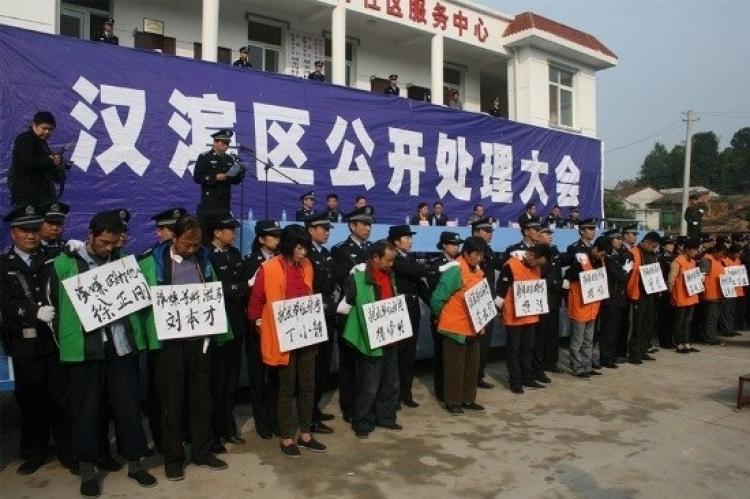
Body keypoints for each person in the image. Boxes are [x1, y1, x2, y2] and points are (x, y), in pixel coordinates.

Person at [51, 210, 156, 496]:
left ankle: (135, 463)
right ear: (91, 236)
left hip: (121, 347)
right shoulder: (65, 263)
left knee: (129, 407)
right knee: (86, 411)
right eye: (104, 242)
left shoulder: (124, 263)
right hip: (85, 350)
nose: (109, 248)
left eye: (115, 242)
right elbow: (56, 307)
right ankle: (87, 469)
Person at [138, 215, 231, 480]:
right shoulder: (153, 262)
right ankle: (173, 458)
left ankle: (201, 451)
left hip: (200, 341)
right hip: (169, 345)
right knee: (172, 402)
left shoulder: (203, 259)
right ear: (173, 238)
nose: (191, 249)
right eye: (187, 243)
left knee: (202, 399)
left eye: (197, 243)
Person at [0, 205, 74, 475]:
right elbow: (5, 302)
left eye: (34, 230)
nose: (31, 236)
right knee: (31, 401)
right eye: (24, 230)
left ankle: (68, 450)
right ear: (13, 233)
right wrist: (33, 313)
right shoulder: (3, 264)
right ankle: (34, 452)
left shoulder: (54, 257)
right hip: (24, 343)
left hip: (54, 342)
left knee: (61, 398)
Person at [248, 225, 328, 457]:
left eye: (306, 248)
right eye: (299, 247)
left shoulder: (307, 266)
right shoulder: (268, 268)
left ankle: (305, 434)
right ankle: (285, 438)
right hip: (283, 337)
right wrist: (262, 327)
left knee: (307, 385)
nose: (303, 252)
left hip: (305, 335)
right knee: (286, 388)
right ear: (288, 246)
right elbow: (255, 303)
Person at [338, 240, 401, 439]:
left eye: (392, 261)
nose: (391, 265)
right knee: (369, 385)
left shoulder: (390, 274)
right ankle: (362, 421)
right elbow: (344, 308)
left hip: (390, 336)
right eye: (388, 261)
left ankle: (385, 417)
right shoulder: (357, 276)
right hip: (368, 339)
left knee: (390, 382)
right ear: (375, 258)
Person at [203, 210, 248, 454]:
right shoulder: (206, 255)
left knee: (230, 382)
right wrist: (242, 286)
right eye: (229, 229)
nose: (234, 233)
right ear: (217, 232)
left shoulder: (233, 253)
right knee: (216, 383)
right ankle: (213, 433)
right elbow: (216, 288)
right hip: (218, 326)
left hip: (236, 324)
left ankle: (227, 427)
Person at [430, 236, 488, 413]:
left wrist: (482, 321)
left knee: (471, 365)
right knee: (454, 367)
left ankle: (468, 399)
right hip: (454, 326)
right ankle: (453, 402)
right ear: (465, 253)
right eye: (475, 255)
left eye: (481, 255)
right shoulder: (454, 270)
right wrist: (443, 317)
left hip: (472, 326)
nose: (478, 258)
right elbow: (436, 299)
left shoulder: (477, 270)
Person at [331, 205, 374, 421]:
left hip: (369, 310)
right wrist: (351, 271)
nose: (368, 228)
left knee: (367, 359)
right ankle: (348, 406)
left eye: (369, 224)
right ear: (352, 226)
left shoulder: (373, 249)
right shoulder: (340, 249)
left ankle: (365, 402)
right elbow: (338, 276)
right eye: (364, 224)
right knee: (348, 360)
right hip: (349, 309)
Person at [243, 220, 283, 439]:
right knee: (258, 377)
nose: (277, 239)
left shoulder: (282, 262)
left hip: (278, 327)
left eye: (278, 236)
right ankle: (262, 422)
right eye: (272, 235)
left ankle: (276, 419)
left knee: (276, 376)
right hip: (258, 327)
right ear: (261, 239)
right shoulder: (251, 262)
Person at [497, 244, 553, 393]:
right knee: (514, 349)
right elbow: (501, 289)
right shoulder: (511, 265)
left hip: (530, 315)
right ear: (531, 255)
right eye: (538, 263)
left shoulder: (537, 267)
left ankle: (528, 378)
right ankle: (515, 381)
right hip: (514, 315)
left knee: (528, 348)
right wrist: (498, 308)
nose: (538, 266)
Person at [389, 224, 433, 408]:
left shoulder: (409, 258)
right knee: (396, 354)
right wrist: (436, 269)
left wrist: (435, 304)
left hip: (412, 309)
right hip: (398, 309)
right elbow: (414, 271)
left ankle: (406, 393)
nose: (410, 241)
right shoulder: (394, 259)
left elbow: (420, 286)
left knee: (408, 354)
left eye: (410, 237)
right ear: (396, 241)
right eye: (406, 238)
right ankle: (394, 395)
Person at [304, 212, 337, 434]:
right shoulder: (305, 254)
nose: (326, 232)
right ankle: (309, 416)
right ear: (311, 230)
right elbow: (318, 283)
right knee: (312, 369)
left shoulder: (324, 252)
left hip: (328, 312)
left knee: (323, 365)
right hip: (313, 314)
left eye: (327, 229)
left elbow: (331, 279)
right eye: (322, 228)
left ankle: (314, 408)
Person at [565, 237, 610, 378]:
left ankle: (587, 366)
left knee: (589, 340)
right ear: (595, 249)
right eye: (602, 253)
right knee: (577, 341)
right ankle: (577, 368)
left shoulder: (600, 262)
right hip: (579, 307)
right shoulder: (581, 261)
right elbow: (568, 277)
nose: (603, 257)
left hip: (592, 309)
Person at [427, 231, 463, 401]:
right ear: (443, 245)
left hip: (458, 316)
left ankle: (455, 389)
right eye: (452, 244)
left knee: (455, 356)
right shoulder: (436, 264)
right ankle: (441, 391)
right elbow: (435, 289)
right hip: (440, 314)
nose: (456, 247)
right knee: (441, 354)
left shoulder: (461, 262)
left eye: (457, 244)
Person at [471, 217, 502, 389]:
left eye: (491, 231)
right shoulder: (471, 251)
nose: (490, 234)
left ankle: (479, 375)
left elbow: (500, 264)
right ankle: (472, 376)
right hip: (476, 301)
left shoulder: (488, 251)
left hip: (489, 300)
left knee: (485, 341)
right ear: (476, 232)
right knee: (475, 341)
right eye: (486, 231)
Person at [8, 111, 64, 207]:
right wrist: (50, 160)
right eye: (44, 128)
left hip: (42, 195)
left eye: (50, 129)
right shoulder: (25, 139)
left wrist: (57, 165)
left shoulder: (42, 142)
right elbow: (28, 162)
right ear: (34, 125)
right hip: (27, 196)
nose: (47, 132)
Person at [625, 231, 662, 364]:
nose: (654, 248)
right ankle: (634, 354)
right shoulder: (633, 253)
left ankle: (642, 350)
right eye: (653, 245)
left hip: (650, 294)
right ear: (646, 242)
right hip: (637, 294)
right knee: (637, 326)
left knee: (648, 325)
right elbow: (628, 274)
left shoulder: (652, 254)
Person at [598, 229, 630, 368]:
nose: (620, 241)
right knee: (608, 330)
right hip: (610, 298)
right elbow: (619, 277)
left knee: (616, 329)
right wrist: (625, 270)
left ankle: (612, 355)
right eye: (617, 239)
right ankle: (606, 357)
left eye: (620, 239)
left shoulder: (619, 255)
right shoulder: (608, 258)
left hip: (619, 297)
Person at [193, 129, 245, 215]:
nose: (226, 146)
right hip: (210, 200)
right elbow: (197, 177)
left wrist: (241, 172)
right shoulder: (205, 157)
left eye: (227, 144)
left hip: (225, 201)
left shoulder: (229, 158)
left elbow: (234, 181)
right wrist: (215, 177)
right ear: (215, 142)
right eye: (223, 143)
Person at [535, 226, 563, 374]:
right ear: (539, 236)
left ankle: (551, 362)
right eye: (546, 234)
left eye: (550, 234)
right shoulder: (536, 253)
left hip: (554, 298)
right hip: (541, 299)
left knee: (553, 333)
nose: (550, 236)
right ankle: (538, 365)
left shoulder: (555, 252)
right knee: (540, 335)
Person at [669, 238, 702, 353]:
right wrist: (671, 292)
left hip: (691, 296)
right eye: (695, 250)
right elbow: (671, 279)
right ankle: (679, 343)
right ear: (687, 250)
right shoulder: (677, 261)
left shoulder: (692, 262)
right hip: (681, 296)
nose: (697, 252)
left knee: (688, 321)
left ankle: (686, 342)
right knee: (680, 321)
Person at [699, 243, 727, 346]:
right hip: (710, 294)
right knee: (711, 317)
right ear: (715, 251)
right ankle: (709, 338)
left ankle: (711, 336)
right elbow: (702, 276)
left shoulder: (719, 261)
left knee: (714, 318)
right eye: (721, 253)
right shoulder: (707, 260)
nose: (722, 256)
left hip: (719, 293)